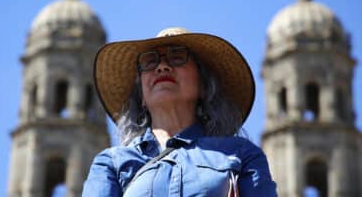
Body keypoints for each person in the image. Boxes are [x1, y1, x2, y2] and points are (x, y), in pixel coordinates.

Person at [82, 27, 277, 196]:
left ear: (204, 86)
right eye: (150, 61)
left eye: (177, 57)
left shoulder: (241, 154)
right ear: (141, 96)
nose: (162, 66)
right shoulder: (112, 163)